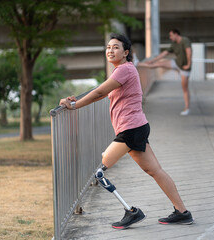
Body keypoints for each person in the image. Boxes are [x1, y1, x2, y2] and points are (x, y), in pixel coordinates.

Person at [59, 33, 193, 229]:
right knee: (155, 170)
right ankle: (182, 212)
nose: (110, 50)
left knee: (97, 171)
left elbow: (99, 91)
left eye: (115, 47)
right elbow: (101, 94)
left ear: (126, 52)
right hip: (136, 127)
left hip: (130, 129)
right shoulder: (122, 71)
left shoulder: (124, 70)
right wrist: (76, 102)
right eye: (108, 47)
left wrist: (74, 106)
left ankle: (131, 212)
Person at [139, 29, 192, 116]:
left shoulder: (185, 40)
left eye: (171, 35)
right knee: (159, 64)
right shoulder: (174, 44)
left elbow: (189, 52)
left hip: (184, 68)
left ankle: (187, 108)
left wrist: (188, 65)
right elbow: (164, 53)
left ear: (176, 34)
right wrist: (152, 60)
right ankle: (139, 63)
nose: (170, 37)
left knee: (185, 88)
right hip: (176, 63)